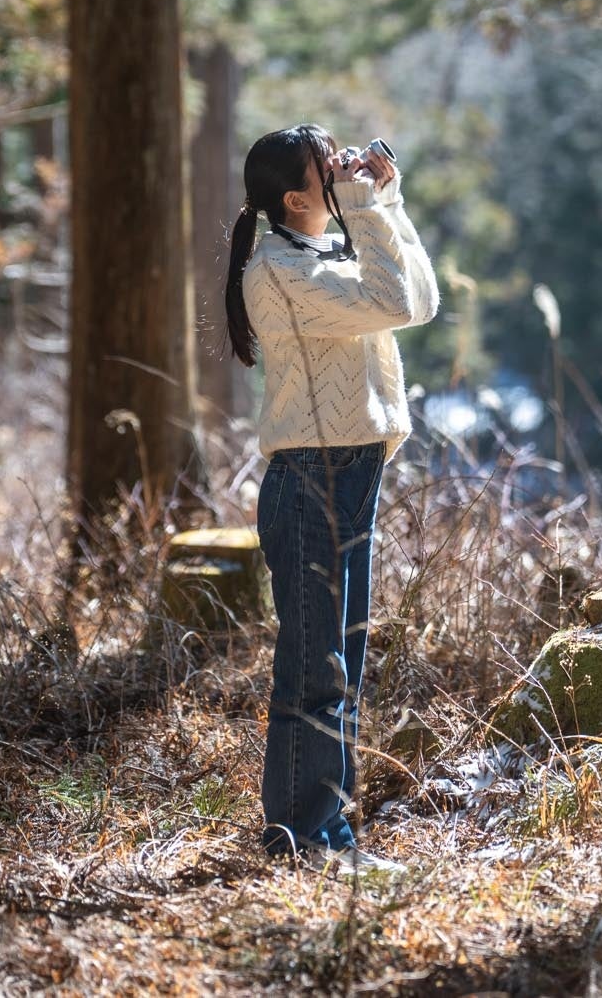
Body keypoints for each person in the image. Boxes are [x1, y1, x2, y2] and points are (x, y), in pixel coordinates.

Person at [223, 123, 439, 872]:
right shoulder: (278, 271)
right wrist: (367, 207)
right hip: (311, 477)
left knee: (341, 660)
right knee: (316, 669)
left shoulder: (327, 254)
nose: (344, 168)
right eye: (329, 167)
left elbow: (421, 297)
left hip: (350, 469)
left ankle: (326, 834)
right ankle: (303, 839)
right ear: (295, 197)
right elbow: (393, 300)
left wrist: (387, 202)